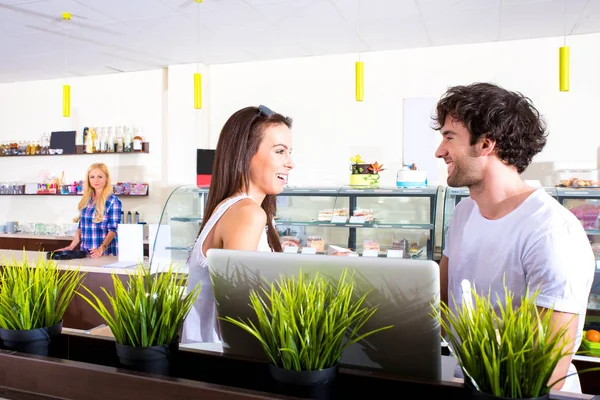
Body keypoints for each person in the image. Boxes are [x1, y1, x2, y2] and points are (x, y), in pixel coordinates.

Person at [434, 82, 595, 393]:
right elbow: (440, 309)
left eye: (449, 137)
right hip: (467, 381)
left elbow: (543, 372)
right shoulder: (465, 213)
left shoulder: (552, 231)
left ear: (486, 144)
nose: (440, 150)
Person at [181, 105, 294, 344]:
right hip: (223, 365)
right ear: (246, 153)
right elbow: (239, 315)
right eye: (279, 151)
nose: (290, 163)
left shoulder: (230, 207)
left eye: (289, 152)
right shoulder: (247, 213)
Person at [57, 163, 122, 258]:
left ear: (106, 179)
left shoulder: (113, 201)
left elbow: (113, 230)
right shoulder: (87, 200)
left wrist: (101, 249)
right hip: (85, 253)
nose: (96, 180)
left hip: (105, 254)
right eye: (92, 177)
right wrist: (71, 247)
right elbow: (81, 227)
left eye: (100, 177)